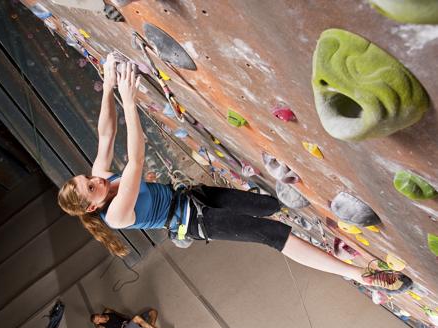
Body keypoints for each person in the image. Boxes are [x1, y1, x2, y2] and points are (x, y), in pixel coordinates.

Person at [58, 53, 412, 295]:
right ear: (92, 207)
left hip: (194, 196)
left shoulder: (101, 181)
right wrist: (129, 99)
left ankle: (328, 235)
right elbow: (135, 161)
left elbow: (107, 134)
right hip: (196, 221)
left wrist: (107, 86)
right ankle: (363, 276)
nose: (96, 179)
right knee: (272, 234)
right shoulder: (116, 216)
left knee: (271, 205)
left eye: (88, 177)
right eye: (91, 187)